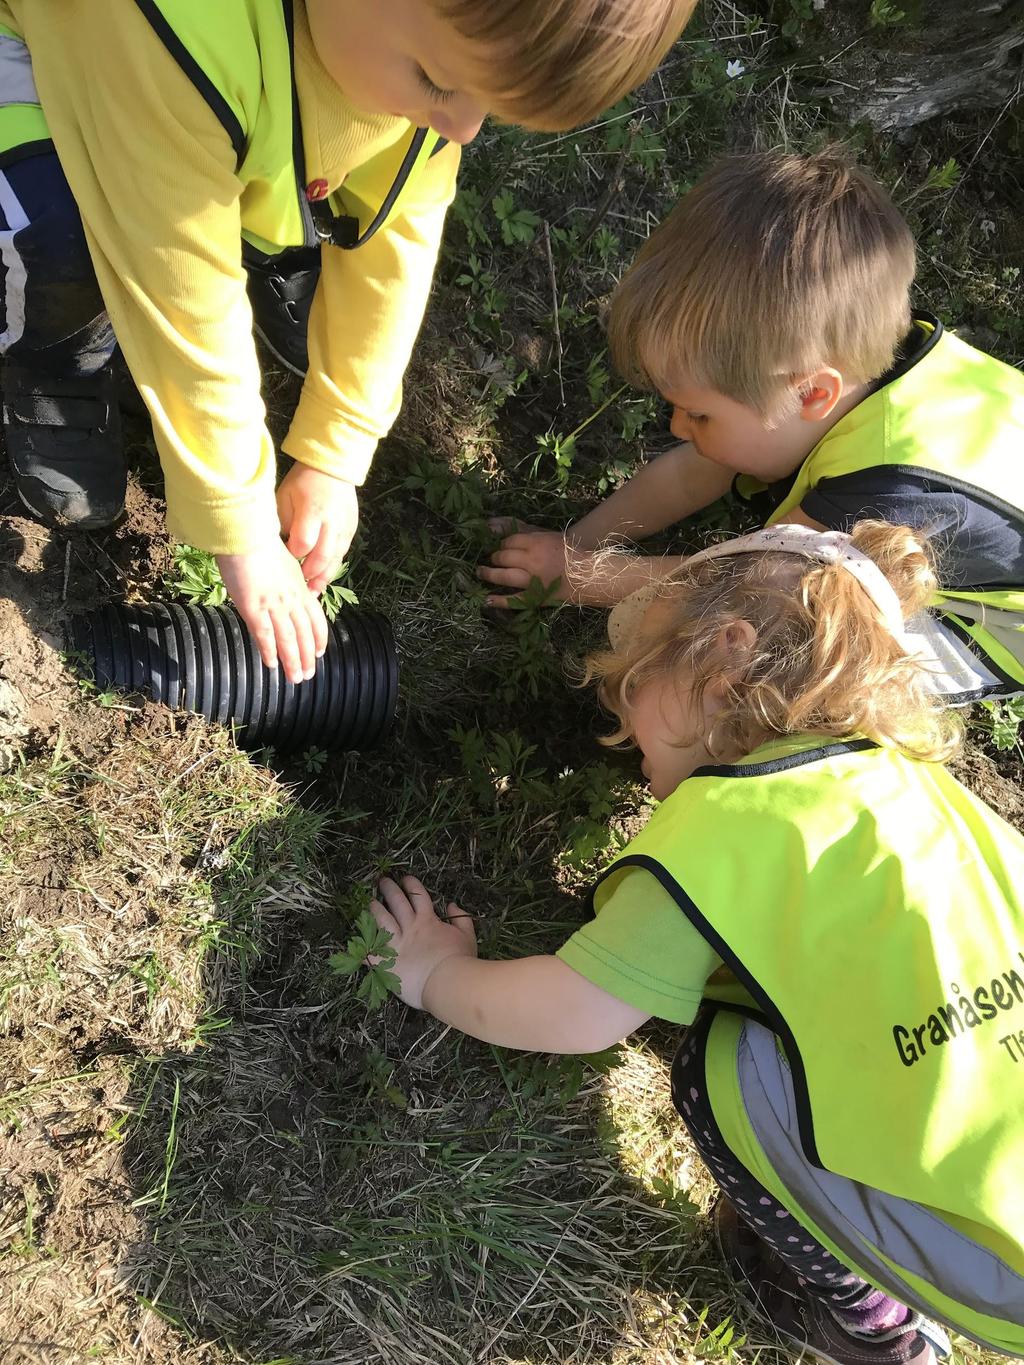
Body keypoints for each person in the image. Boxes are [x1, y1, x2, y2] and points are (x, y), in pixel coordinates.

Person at [371, 520, 1024, 1364]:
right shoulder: (934, 801)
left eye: (635, 682)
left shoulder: (733, 819)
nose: (616, 712)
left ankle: (878, 1327)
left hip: (986, 1244)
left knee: (726, 1075)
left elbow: (574, 1015)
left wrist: (434, 970)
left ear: (725, 660)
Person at [0, 0, 694, 684]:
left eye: (493, 110)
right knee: (62, 243)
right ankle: (52, 366)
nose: (467, 127)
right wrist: (238, 525)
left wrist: (336, 448)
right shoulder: (168, 25)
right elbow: (179, 289)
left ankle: (265, 224)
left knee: (314, 149)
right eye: (439, 82)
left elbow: (401, 233)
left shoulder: (415, 44)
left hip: (209, 109)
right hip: (48, 63)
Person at [480, 149, 1024, 703]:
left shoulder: (886, 493)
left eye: (699, 414)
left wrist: (575, 578)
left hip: (993, 627)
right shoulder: (846, 365)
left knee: (791, 652)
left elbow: (739, 582)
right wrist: (575, 544)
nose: (678, 426)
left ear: (812, 393)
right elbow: (692, 475)